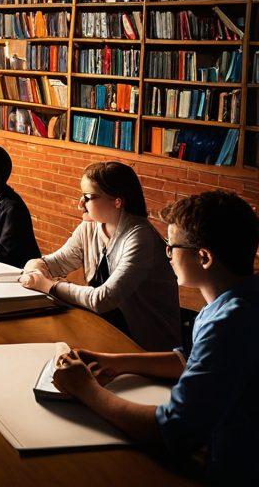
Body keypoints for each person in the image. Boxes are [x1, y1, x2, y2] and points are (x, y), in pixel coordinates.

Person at [52, 190, 258, 483]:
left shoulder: (228, 324)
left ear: (204, 257)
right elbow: (192, 361)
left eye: (171, 247)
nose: (168, 255)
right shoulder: (237, 300)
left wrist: (86, 389)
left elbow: (172, 430)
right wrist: (118, 361)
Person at [18, 162, 180, 351]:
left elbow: (102, 299)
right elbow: (53, 263)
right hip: (107, 330)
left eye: (88, 197)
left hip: (147, 346)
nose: (80, 203)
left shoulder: (139, 237)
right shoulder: (90, 227)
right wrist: (35, 269)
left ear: (117, 201)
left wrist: (49, 286)